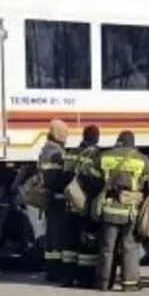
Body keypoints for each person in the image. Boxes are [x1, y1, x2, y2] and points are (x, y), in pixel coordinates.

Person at [82, 131, 149, 292]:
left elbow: (92, 181)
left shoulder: (104, 156)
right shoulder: (142, 159)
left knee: (107, 248)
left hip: (109, 209)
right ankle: (129, 284)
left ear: (119, 141)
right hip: (131, 211)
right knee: (130, 246)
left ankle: (103, 282)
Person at [62, 125, 101, 287]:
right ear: (96, 138)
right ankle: (85, 279)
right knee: (87, 241)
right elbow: (94, 181)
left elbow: (64, 177)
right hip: (86, 204)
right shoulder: (95, 154)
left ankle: (68, 277)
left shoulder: (71, 153)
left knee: (70, 242)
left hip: (71, 204)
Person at [34, 119, 70, 282]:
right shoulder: (56, 153)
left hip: (49, 197)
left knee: (51, 234)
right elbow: (58, 178)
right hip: (57, 198)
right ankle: (56, 270)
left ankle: (51, 268)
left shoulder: (45, 150)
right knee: (58, 235)